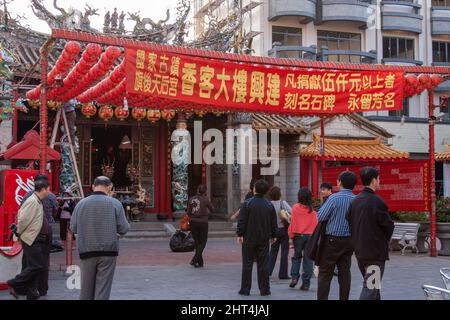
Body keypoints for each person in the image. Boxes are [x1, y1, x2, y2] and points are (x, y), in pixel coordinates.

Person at [70, 176, 130, 300]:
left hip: (87, 251)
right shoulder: (115, 203)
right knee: (102, 290)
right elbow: (124, 228)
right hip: (108, 252)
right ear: (109, 187)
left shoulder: (81, 204)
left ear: (93, 186)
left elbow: (73, 227)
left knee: (86, 290)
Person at [347, 167, 394, 300]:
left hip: (360, 251)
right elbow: (388, 225)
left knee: (373, 286)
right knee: (371, 287)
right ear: (374, 180)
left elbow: (349, 221)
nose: (380, 181)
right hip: (375, 252)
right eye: (379, 178)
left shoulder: (355, 201)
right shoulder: (377, 201)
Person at [316, 171, 357, 300]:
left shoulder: (334, 198)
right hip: (350, 240)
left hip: (332, 240)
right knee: (345, 271)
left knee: (325, 273)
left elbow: (321, 216)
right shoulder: (356, 199)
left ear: (340, 182)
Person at [8, 179, 51, 300]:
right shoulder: (32, 201)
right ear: (42, 189)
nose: (49, 192)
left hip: (34, 238)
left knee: (34, 266)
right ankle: (14, 283)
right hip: (30, 239)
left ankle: (31, 293)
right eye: (48, 189)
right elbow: (23, 220)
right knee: (37, 266)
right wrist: (18, 233)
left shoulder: (37, 200)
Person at [237, 179, 277, 296]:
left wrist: (240, 234)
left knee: (247, 264)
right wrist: (274, 235)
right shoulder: (269, 205)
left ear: (255, 189)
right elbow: (273, 223)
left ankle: (245, 289)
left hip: (249, 238)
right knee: (263, 264)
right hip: (264, 239)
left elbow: (242, 221)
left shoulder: (247, 203)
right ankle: (265, 289)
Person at [20, 173, 57, 297]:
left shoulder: (28, 196)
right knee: (44, 260)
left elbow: (22, 212)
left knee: (29, 261)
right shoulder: (51, 196)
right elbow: (55, 211)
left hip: (32, 232)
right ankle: (43, 288)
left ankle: (30, 287)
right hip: (47, 230)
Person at [288, 188, 318, 291]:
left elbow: (293, 223)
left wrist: (291, 236)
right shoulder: (313, 210)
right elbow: (316, 225)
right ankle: (306, 283)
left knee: (296, 257)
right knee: (308, 259)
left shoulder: (295, 208)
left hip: (298, 236)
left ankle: (294, 278)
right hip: (310, 237)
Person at [187, 184, 214, 268]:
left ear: (198, 190)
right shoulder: (205, 199)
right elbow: (212, 209)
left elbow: (188, 212)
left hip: (193, 222)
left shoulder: (191, 199)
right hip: (203, 222)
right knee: (203, 242)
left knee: (197, 241)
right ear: (205, 191)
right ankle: (194, 259)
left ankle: (200, 262)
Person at [267, 186, 291, 280]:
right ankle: (283, 274)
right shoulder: (283, 203)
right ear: (280, 194)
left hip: (274, 230)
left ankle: (268, 271)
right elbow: (291, 212)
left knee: (273, 251)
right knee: (284, 252)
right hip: (284, 230)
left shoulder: (269, 204)